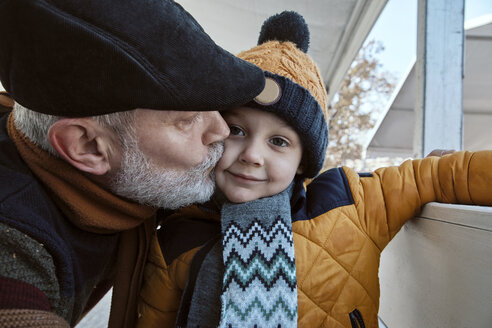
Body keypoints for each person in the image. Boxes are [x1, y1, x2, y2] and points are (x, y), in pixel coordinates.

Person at [136, 11, 492, 328]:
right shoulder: (176, 233)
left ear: (303, 161)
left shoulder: (349, 204)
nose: (252, 155)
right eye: (237, 131)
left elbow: (435, 176)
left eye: (278, 142)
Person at [0, 0, 267, 327]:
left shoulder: (135, 172)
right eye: (187, 119)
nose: (222, 130)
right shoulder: (12, 240)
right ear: (88, 146)